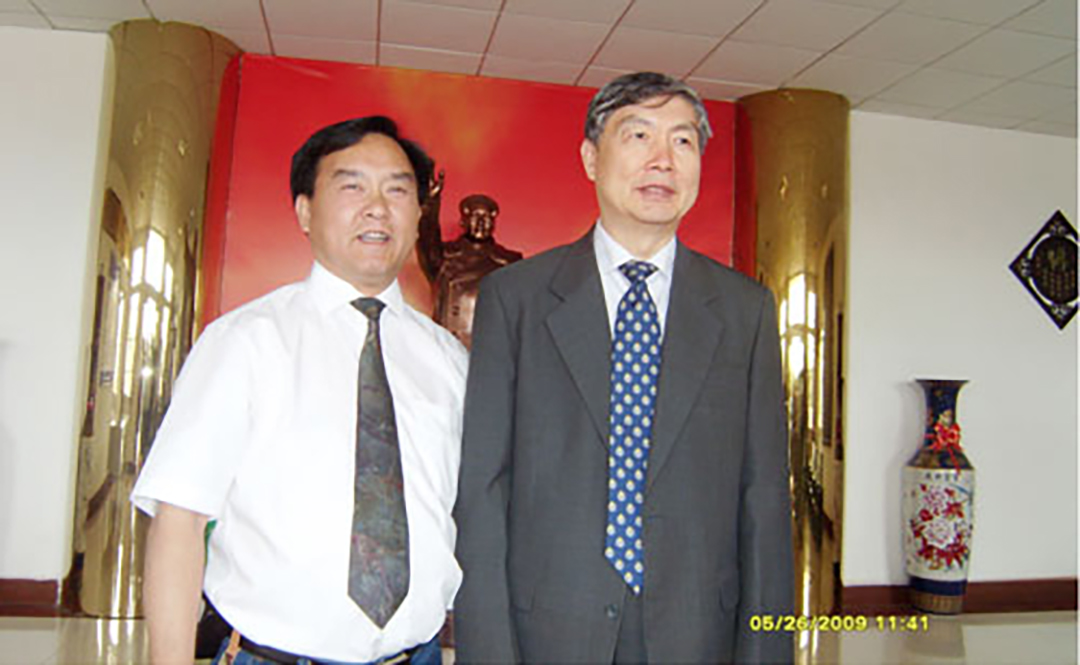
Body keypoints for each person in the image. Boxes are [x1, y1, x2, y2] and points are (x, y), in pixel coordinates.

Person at [453, 72, 794, 664]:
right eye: (638, 135)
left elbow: (763, 497)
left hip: (697, 633)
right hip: (548, 630)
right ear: (591, 158)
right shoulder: (517, 298)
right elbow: (483, 488)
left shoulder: (745, 310)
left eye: (683, 141)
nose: (663, 159)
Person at [132, 116, 467, 665]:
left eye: (397, 190)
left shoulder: (450, 360)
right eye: (352, 186)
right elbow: (179, 522)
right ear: (305, 212)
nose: (377, 208)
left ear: (417, 215)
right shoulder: (244, 343)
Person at [417, 184, 522, 347]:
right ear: (463, 221)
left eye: (486, 218)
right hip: (448, 347)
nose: (481, 223)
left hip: (491, 349)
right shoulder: (444, 256)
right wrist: (431, 203)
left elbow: (520, 316)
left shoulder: (510, 261)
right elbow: (426, 239)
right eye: (475, 216)